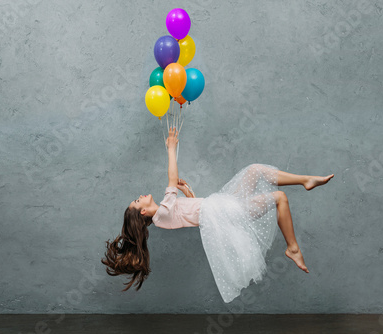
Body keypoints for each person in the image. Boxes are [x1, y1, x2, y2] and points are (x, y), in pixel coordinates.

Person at [102, 126, 334, 303]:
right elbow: (173, 182)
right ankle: (293, 246)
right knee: (277, 196)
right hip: (222, 213)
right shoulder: (160, 216)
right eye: (137, 200)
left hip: (218, 207)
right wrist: (171, 149)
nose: (140, 195)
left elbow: (192, 211)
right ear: (143, 211)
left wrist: (187, 191)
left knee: (262, 178)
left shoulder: (165, 211)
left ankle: (305, 183)